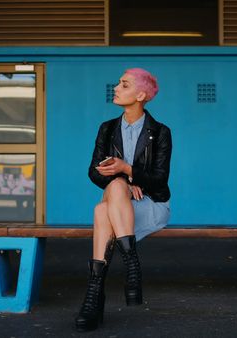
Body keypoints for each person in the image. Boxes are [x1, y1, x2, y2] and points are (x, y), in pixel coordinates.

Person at [75, 68, 172, 331]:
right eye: (118, 83)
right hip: (121, 203)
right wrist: (124, 184)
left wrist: (127, 170)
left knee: (101, 211)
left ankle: (93, 298)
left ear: (140, 95)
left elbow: (160, 181)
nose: (116, 87)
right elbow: (94, 173)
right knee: (115, 188)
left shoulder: (161, 132)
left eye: (124, 84)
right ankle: (132, 265)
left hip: (150, 205)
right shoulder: (106, 129)